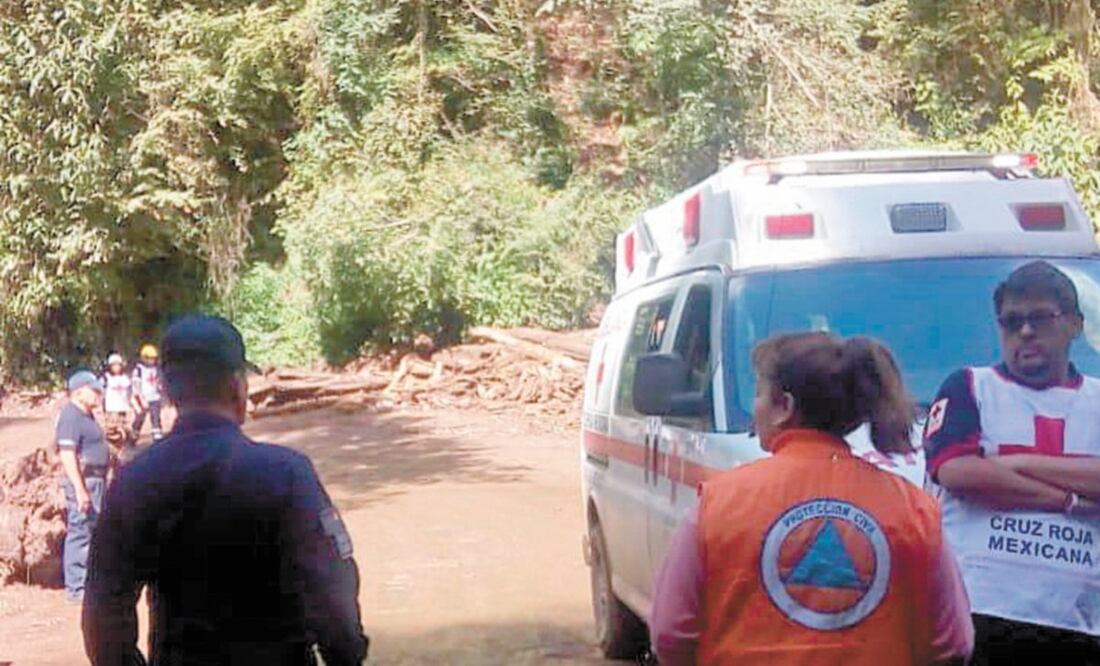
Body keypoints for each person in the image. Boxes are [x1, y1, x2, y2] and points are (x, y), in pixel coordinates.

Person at [650, 332, 973, 666]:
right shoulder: (913, 510)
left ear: (784, 407)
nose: (755, 409)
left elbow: (670, 633)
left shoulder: (719, 502)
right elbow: (954, 643)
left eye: (759, 393)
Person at [82, 315, 369, 666]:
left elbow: (103, 615)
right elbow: (331, 592)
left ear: (166, 390)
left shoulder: (134, 481)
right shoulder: (286, 474)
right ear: (237, 385)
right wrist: (346, 656)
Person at [924, 260, 1100, 664]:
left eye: (1040, 318)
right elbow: (958, 472)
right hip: (979, 612)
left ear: (1074, 324)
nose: (1025, 332)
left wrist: (1012, 462)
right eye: (1011, 322)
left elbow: (980, 470)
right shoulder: (969, 386)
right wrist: (1069, 499)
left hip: (1078, 618)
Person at [57, 369, 110, 603]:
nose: (98, 394)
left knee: (92, 530)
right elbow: (67, 454)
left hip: (96, 480)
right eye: (94, 390)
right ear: (79, 392)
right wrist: (79, 489)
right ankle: (76, 588)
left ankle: (88, 581)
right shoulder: (70, 416)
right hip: (84, 481)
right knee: (80, 531)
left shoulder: (86, 416)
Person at [101, 353, 134, 452]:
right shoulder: (106, 378)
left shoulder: (125, 378)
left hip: (123, 406)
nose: (116, 368)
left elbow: (129, 390)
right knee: (113, 428)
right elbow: (100, 392)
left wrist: (131, 403)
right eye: (114, 365)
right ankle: (112, 448)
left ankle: (124, 446)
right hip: (111, 408)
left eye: (118, 365)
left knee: (123, 426)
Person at [131, 343, 163, 441]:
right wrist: (140, 397)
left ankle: (157, 436)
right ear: (143, 358)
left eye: (153, 358)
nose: (152, 361)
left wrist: (160, 387)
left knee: (155, 416)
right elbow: (136, 384)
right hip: (142, 397)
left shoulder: (157, 369)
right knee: (140, 417)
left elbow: (159, 381)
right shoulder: (139, 370)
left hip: (155, 397)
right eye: (149, 358)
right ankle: (134, 434)